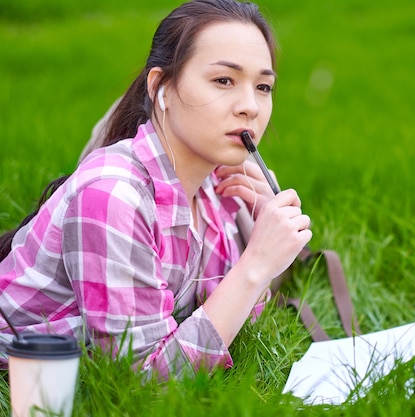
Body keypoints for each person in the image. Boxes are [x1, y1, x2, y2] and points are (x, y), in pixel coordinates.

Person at [0, 0, 312, 380]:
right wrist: (255, 265)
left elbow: (229, 320)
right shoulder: (113, 196)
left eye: (263, 86)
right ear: (161, 87)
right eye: (223, 80)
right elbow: (142, 382)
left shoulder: (215, 189)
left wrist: (258, 231)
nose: (250, 106)